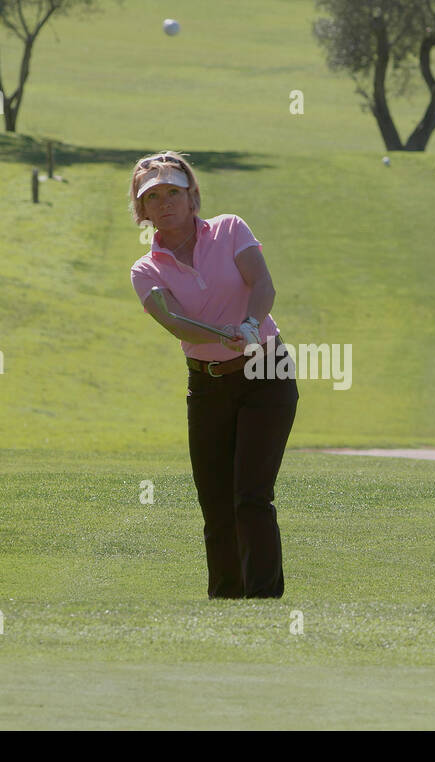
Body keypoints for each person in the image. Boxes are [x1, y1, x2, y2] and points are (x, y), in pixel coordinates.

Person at [128, 151, 299, 599]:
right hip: (206, 382)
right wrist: (217, 335)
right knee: (216, 503)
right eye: (154, 197)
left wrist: (246, 326)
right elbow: (174, 322)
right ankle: (226, 600)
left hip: (266, 368)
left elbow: (263, 285)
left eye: (174, 193)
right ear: (142, 210)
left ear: (192, 196)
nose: (165, 203)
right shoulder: (145, 270)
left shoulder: (230, 229)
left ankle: (262, 601)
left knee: (251, 496)